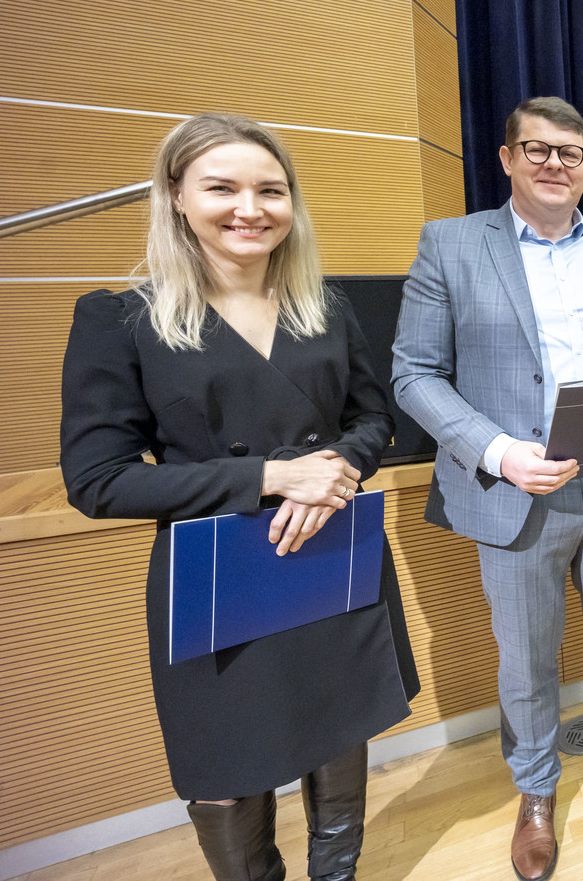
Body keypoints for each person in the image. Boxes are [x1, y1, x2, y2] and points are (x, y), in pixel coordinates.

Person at [59, 113, 418, 881]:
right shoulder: (120, 320)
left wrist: (335, 467)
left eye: (271, 191)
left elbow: (373, 420)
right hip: (218, 574)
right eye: (222, 188)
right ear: (176, 196)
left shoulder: (326, 306)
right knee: (224, 767)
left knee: (339, 730)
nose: (250, 209)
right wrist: (271, 478)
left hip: (330, 552)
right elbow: (98, 480)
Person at [391, 97, 583, 881]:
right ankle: (536, 788)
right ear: (507, 157)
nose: (556, 164)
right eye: (538, 149)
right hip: (517, 490)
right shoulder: (452, 244)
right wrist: (497, 452)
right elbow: (414, 374)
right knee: (527, 655)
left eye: (571, 153)